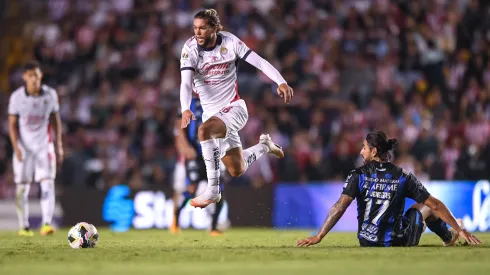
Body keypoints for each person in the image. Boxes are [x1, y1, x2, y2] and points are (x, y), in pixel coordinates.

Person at [179, 9, 294, 208]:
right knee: (236, 169)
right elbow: (186, 84)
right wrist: (185, 108)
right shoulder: (190, 49)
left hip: (234, 109)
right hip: (213, 116)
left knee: (203, 131)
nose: (197, 33)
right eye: (195, 28)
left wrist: (280, 81)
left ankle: (213, 190)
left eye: (202, 28)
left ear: (215, 28)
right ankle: (265, 146)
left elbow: (259, 62)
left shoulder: (230, 42)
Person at [297, 131, 482, 247]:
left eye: (364, 148)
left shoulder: (358, 174)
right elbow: (435, 205)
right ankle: (449, 236)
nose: (361, 151)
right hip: (399, 240)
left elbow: (339, 207)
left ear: (374, 152)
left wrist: (319, 236)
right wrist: (459, 229)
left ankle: (447, 234)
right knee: (425, 206)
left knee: (420, 210)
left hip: (366, 241)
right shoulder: (403, 176)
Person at [8, 60, 63, 236]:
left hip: (44, 145)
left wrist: (58, 145)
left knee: (47, 183)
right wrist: (16, 147)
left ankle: (46, 223)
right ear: (25, 77)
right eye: (30, 76)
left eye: (37, 76)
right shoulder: (17, 98)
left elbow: (55, 120)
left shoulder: (50, 95)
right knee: (22, 186)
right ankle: (23, 226)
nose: (34, 80)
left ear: (41, 77)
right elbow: (12, 125)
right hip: (24, 147)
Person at [172, 97, 226, 236]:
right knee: (191, 189)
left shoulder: (219, 100)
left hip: (212, 153)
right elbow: (180, 127)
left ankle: (213, 228)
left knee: (217, 191)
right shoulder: (189, 102)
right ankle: (176, 219)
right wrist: (185, 147)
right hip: (195, 154)